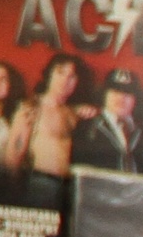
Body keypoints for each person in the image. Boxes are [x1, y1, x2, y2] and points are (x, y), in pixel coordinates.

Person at [8, 51, 90, 202]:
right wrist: (12, 193)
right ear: (49, 75)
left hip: (71, 188)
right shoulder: (31, 106)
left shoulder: (74, 112)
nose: (65, 80)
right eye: (60, 72)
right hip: (42, 183)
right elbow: (14, 153)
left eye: (72, 76)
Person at [82, 68, 143, 174]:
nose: (121, 97)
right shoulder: (87, 126)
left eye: (127, 92)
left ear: (136, 98)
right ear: (104, 93)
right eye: (115, 90)